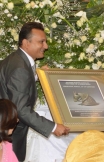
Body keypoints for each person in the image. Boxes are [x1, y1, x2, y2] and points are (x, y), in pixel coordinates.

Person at [0, 22, 70, 161]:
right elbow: (20, 109)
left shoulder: (17, 59)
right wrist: (53, 127)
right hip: (11, 133)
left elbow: (14, 85)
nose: (46, 46)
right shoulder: (20, 68)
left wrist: (37, 77)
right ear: (26, 43)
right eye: (41, 42)